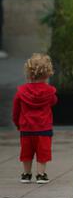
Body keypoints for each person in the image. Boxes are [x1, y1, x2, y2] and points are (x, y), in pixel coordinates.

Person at [12, 53, 57, 184]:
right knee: (43, 152)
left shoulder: (21, 91)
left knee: (26, 152)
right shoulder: (49, 91)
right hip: (44, 128)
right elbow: (54, 101)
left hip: (26, 128)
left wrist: (17, 123)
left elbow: (16, 110)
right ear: (48, 73)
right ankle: (41, 174)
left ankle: (26, 174)